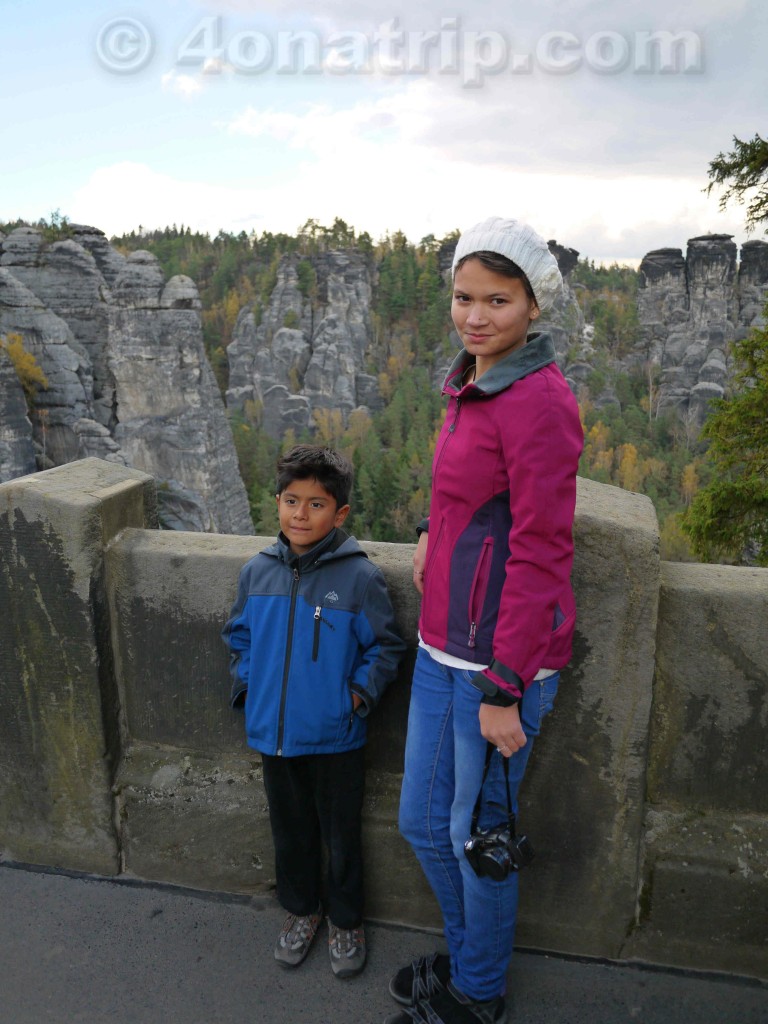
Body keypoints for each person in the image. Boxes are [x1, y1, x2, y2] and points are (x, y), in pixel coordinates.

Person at [385, 217, 583, 1024]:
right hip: (443, 647)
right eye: (464, 297)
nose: (475, 315)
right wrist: (435, 529)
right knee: (424, 822)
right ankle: (472, 956)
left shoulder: (539, 400)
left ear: (534, 305)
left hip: (501, 664)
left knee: (478, 836)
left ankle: (479, 992)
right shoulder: (472, 378)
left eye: (497, 300)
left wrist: (505, 686)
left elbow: (541, 553)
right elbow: (465, 492)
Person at [222, 444, 405, 979]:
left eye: (317, 504)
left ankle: (346, 920)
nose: (301, 515)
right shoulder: (257, 572)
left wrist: (355, 696)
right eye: (291, 501)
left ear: (340, 513)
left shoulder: (359, 578)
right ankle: (302, 912)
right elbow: (238, 637)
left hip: (335, 737)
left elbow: (386, 647)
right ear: (277, 502)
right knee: (291, 832)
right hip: (274, 737)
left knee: (341, 835)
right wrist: (248, 688)